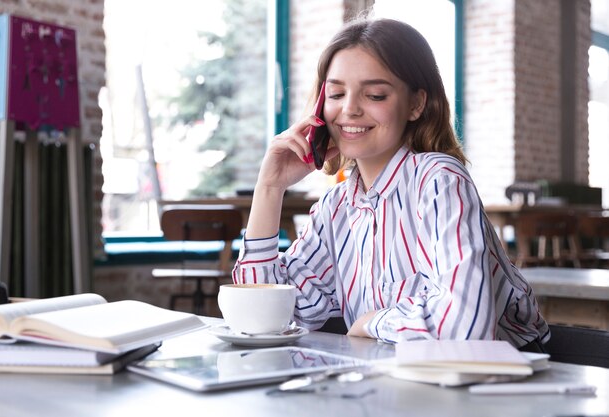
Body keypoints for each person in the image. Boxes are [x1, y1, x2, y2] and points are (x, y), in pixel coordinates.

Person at [232, 17, 549, 349]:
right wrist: (270, 188)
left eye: (375, 95)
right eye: (336, 93)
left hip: (499, 381)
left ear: (415, 104)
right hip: (394, 380)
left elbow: (463, 329)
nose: (349, 109)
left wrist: (374, 322)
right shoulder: (336, 207)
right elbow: (263, 320)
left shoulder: (439, 180)